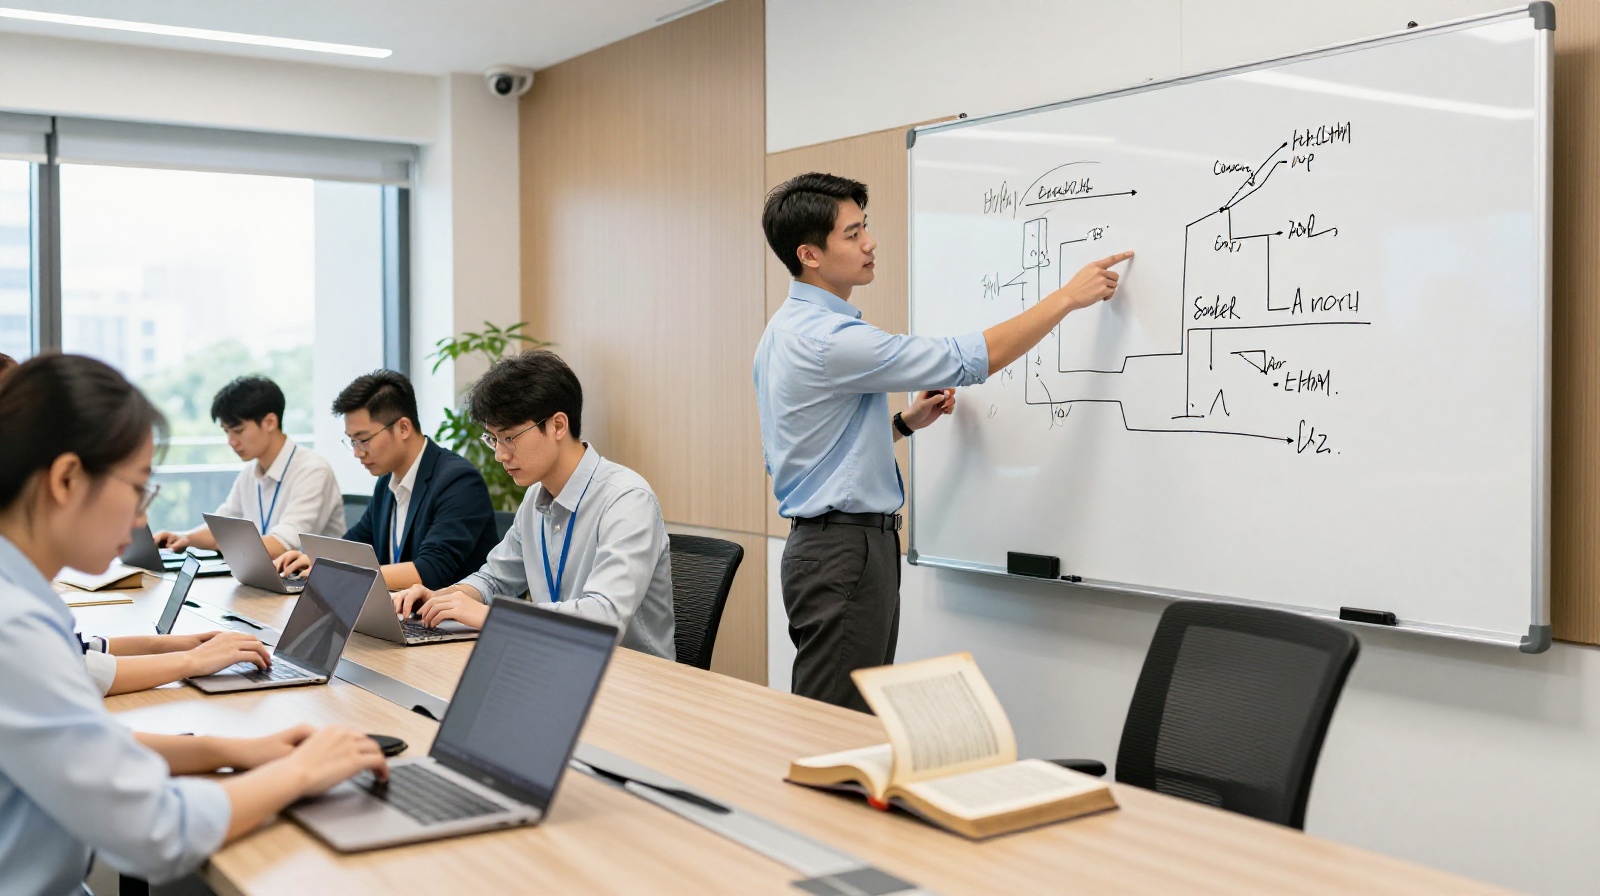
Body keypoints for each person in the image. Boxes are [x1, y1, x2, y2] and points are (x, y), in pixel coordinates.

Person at [0, 353, 386, 892]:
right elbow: (156, 829)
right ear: (66, 478)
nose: (140, 517)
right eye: (138, 488)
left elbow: (91, 746)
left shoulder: (18, 600)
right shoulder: (13, 629)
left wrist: (234, 750)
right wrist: (298, 772)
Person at [755, 172, 1132, 710]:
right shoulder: (827, 339)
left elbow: (808, 450)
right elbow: (968, 358)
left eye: (867, 228)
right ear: (809, 254)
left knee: (848, 719)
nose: (870, 243)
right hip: (844, 550)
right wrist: (1067, 298)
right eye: (852, 233)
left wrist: (904, 425)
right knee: (833, 728)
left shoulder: (784, 330)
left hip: (833, 546)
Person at [392, 351, 675, 659]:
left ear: (557, 425)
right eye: (494, 439)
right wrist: (441, 598)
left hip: (631, 680)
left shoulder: (626, 499)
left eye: (510, 437)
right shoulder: (535, 497)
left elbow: (603, 616)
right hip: (554, 661)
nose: (500, 455)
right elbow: (494, 578)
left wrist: (487, 616)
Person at [275, 369, 497, 590]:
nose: (357, 452)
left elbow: (431, 570)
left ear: (403, 428)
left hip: (448, 621)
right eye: (352, 441)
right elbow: (354, 545)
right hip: (400, 615)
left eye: (364, 439)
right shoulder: (387, 483)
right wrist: (314, 558)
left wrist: (336, 571)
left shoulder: (458, 481)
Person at [154, 375, 343, 559]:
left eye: (238, 431)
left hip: (311, 586)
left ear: (270, 422)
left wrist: (225, 544)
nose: (231, 442)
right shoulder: (249, 474)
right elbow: (222, 529)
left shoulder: (312, 471)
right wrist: (184, 538)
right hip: (270, 581)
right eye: (226, 432)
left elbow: (282, 545)